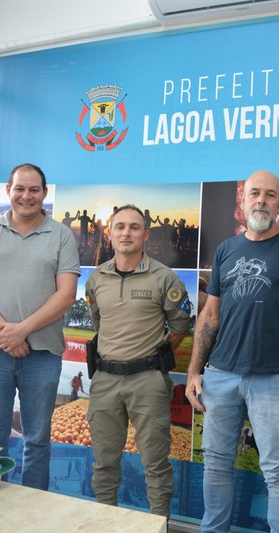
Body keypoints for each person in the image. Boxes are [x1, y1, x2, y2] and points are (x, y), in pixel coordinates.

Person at [186, 170, 279, 533]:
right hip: (220, 376)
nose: (261, 200)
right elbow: (210, 314)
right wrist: (193, 371)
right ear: (242, 201)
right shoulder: (226, 251)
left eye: (270, 195)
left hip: (274, 380)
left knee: (278, 473)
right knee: (215, 465)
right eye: (254, 194)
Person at [0, 163, 80, 490]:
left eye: (34, 190)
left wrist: (22, 330)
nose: (26, 196)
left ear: (44, 193)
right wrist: (6, 332)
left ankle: (33, 515)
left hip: (41, 354)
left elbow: (67, 293)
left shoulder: (60, 235)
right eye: (20, 189)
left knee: (38, 441)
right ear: (9, 191)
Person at [85, 204, 191, 516]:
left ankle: (159, 525)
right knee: (104, 463)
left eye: (134, 227)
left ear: (146, 234)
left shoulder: (164, 278)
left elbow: (181, 325)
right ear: (110, 233)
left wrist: (154, 352)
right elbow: (98, 323)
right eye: (120, 227)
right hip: (104, 380)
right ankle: (106, 523)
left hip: (148, 381)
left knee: (155, 465)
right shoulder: (96, 279)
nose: (126, 233)